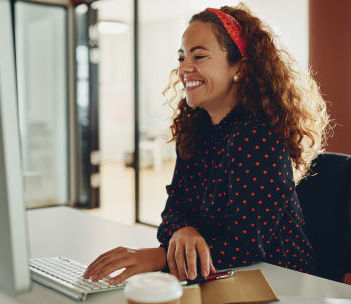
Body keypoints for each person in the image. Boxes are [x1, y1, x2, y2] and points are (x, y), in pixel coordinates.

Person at [83, 3, 330, 285]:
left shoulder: (258, 137)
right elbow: (173, 211)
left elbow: (246, 246)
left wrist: (159, 256)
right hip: (218, 276)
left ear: (240, 68)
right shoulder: (195, 129)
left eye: (199, 56)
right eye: (181, 57)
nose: (184, 68)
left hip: (279, 281)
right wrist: (182, 231)